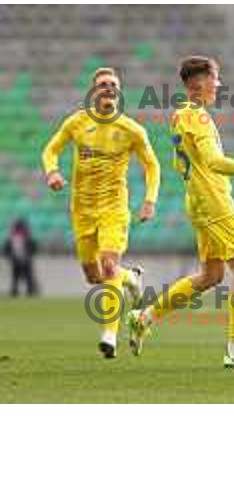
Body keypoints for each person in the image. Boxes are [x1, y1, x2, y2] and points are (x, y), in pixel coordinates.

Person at [127, 55, 234, 369]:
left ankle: (144, 317)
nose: (219, 84)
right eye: (216, 78)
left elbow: (183, 161)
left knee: (211, 275)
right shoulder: (196, 117)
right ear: (200, 83)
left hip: (198, 200)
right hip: (213, 201)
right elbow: (212, 161)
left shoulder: (180, 116)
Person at [42, 67, 160, 359]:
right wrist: (52, 172)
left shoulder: (131, 130)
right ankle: (131, 277)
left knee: (108, 267)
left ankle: (109, 335)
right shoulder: (77, 122)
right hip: (82, 209)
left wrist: (149, 200)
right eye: (103, 85)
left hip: (114, 207)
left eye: (113, 85)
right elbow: (50, 150)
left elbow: (152, 165)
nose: (108, 89)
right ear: (94, 92)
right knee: (93, 275)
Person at [3, 218, 38, 297]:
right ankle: (15, 292)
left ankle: (29, 291)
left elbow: (33, 248)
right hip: (16, 261)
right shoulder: (12, 238)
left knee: (28, 278)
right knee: (16, 279)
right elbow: (6, 249)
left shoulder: (27, 237)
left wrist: (29, 256)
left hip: (25, 261)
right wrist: (10, 256)